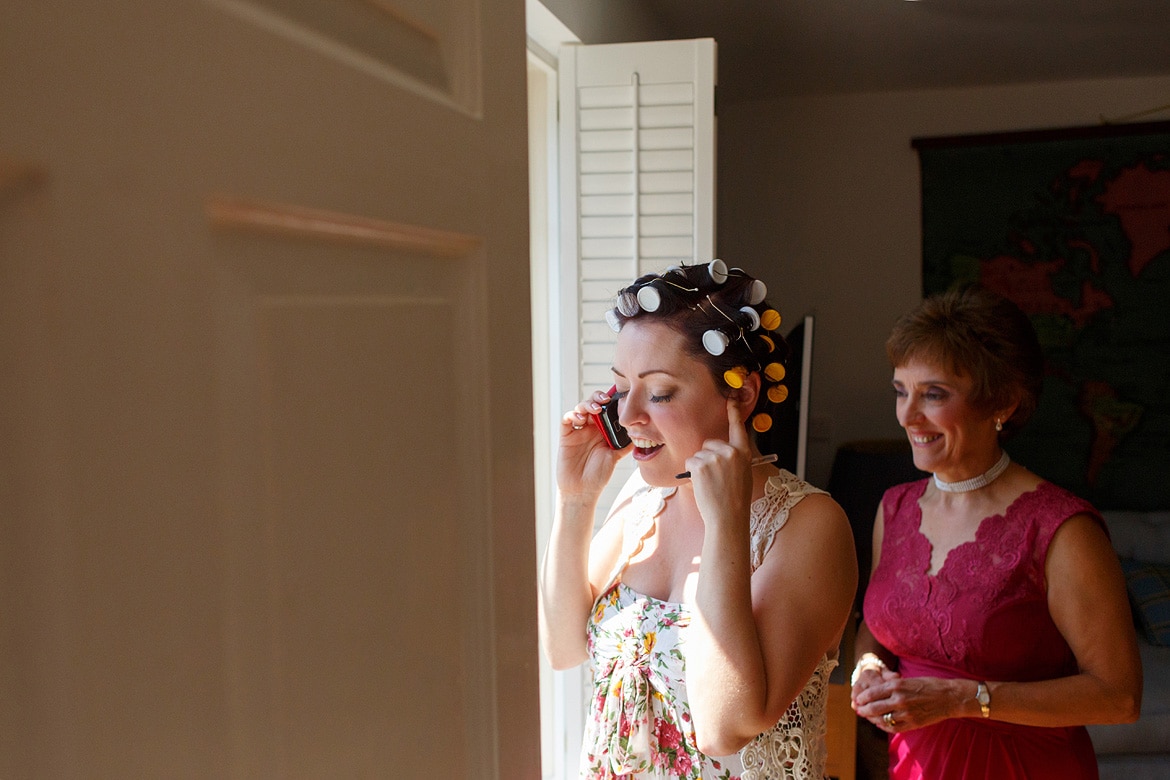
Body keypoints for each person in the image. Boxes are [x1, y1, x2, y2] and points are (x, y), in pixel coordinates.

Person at [539, 260, 857, 780]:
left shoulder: (810, 526)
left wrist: (726, 527)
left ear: (742, 393)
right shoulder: (646, 499)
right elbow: (562, 647)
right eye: (622, 388)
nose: (627, 416)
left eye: (659, 393)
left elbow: (723, 727)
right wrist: (575, 500)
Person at [850, 287, 1143, 780]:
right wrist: (867, 669)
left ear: (1002, 403)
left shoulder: (1062, 528)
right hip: (915, 765)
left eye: (934, 394)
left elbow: (1120, 697)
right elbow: (875, 630)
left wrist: (964, 700)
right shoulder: (895, 508)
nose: (908, 416)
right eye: (902, 391)